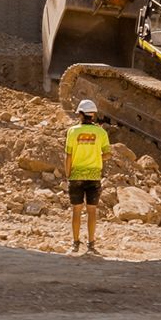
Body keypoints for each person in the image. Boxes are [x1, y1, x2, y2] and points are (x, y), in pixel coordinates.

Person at [63, 98, 109, 254]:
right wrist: (96, 157)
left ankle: (75, 243)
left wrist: (68, 174)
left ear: (80, 115)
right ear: (93, 115)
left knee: (76, 211)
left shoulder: (72, 131)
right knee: (92, 211)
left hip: (76, 175)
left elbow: (68, 156)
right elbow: (107, 154)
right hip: (94, 176)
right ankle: (91, 244)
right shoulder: (101, 132)